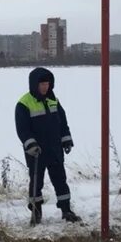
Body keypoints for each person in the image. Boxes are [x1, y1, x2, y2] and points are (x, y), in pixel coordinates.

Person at [15, 67, 82, 225]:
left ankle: (66, 210)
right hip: (36, 152)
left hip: (55, 149)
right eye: (42, 84)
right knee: (36, 182)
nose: (45, 87)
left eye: (47, 83)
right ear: (34, 84)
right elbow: (22, 129)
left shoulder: (53, 100)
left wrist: (66, 140)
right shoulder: (24, 103)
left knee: (60, 180)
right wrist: (30, 144)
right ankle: (36, 213)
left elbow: (62, 122)